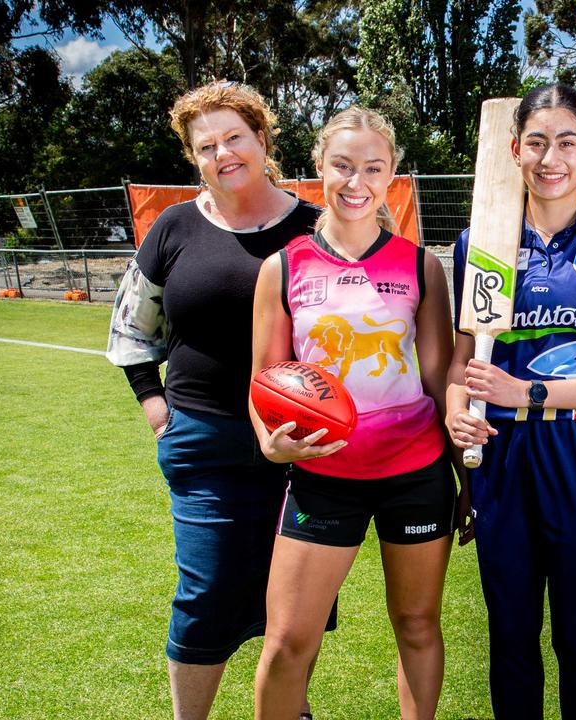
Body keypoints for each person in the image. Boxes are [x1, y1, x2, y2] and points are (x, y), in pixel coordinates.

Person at [106, 81, 331, 720]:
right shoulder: (175, 226)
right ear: (193, 158)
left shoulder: (316, 228)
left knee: (296, 602)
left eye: (234, 137)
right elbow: (130, 327)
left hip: (302, 445)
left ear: (262, 138)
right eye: (206, 146)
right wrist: (155, 405)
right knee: (206, 593)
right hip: (205, 439)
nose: (223, 153)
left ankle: (291, 708)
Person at [445, 84, 576, 719]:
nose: (550, 157)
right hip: (501, 461)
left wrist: (527, 392)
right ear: (513, 150)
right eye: (535, 142)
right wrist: (458, 405)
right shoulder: (478, 244)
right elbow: (463, 361)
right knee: (510, 636)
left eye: (567, 142)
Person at [249, 106, 458, 720]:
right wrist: (270, 444)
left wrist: (467, 477)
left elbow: (438, 378)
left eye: (372, 167)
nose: (356, 181)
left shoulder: (421, 265)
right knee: (288, 644)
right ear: (319, 168)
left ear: (391, 173)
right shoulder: (283, 267)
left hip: (415, 474)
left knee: (418, 626)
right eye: (342, 166)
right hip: (322, 475)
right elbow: (264, 378)